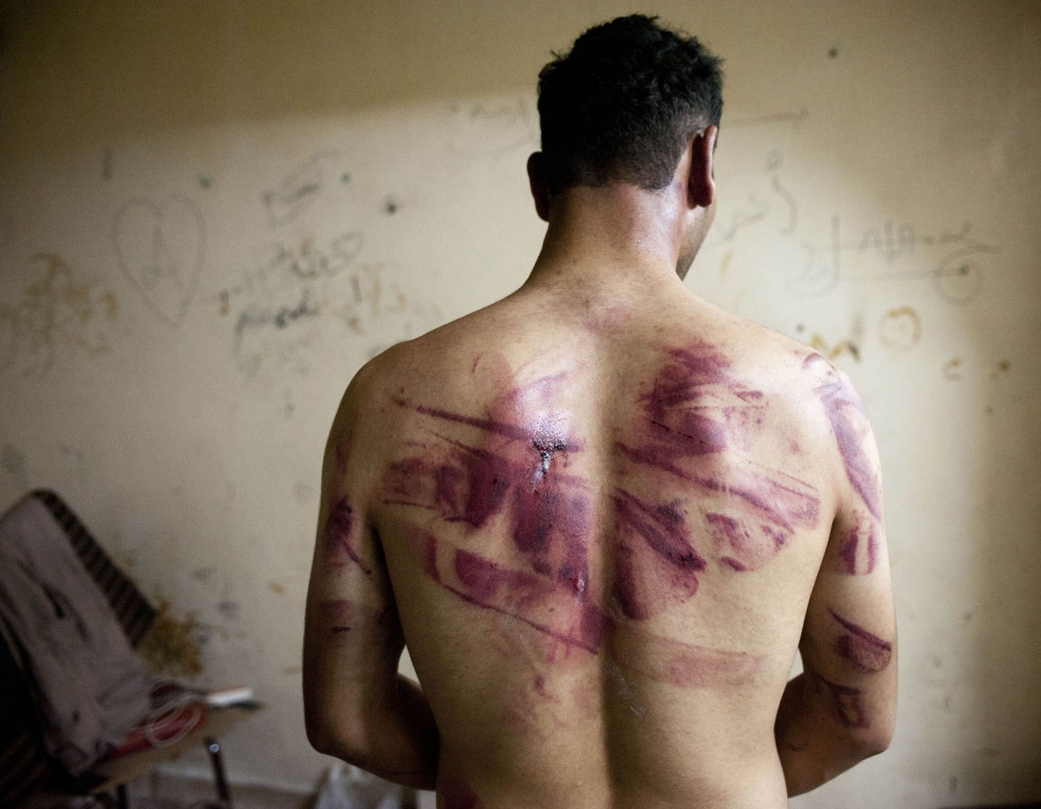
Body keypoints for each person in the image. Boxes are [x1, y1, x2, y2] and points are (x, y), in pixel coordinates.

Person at [303, 14, 896, 808]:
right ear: (703, 162)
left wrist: (495, 762)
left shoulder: (388, 397)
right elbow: (859, 715)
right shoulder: (812, 403)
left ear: (542, 182)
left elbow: (345, 715)